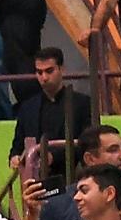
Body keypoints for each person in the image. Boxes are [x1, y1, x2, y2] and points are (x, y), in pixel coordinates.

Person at [10, 48, 93, 192]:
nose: (44, 77)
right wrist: (14, 157)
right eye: (39, 72)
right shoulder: (27, 107)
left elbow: (89, 143)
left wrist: (53, 157)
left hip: (73, 179)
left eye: (49, 71)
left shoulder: (82, 103)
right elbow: (18, 144)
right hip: (36, 182)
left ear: (62, 69)